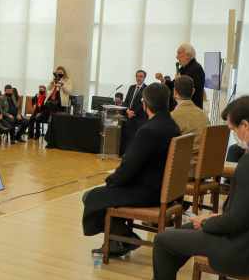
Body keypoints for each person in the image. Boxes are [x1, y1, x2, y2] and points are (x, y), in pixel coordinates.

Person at [119, 96, 249, 280]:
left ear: (246, 124)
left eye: (234, 129)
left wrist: (208, 222)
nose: (235, 136)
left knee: (162, 239)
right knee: (187, 228)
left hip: (246, 245)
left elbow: (237, 221)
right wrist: (216, 219)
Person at [81, 83, 181, 256]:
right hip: (163, 189)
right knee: (103, 196)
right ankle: (118, 241)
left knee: (91, 196)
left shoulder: (149, 130)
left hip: (146, 191)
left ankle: (124, 238)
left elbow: (129, 167)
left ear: (145, 105)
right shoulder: (173, 126)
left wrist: (111, 181)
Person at [169, 76, 210, 179]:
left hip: (184, 170)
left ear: (174, 92)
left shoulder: (173, 116)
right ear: (193, 91)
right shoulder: (204, 115)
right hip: (205, 168)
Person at [154, 43, 205, 109]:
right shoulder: (184, 68)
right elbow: (174, 84)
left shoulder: (196, 68)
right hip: (180, 108)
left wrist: (180, 81)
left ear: (188, 55)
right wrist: (163, 80)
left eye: (179, 53)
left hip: (189, 109)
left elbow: (190, 91)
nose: (177, 57)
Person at [123, 70, 149, 146]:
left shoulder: (146, 89)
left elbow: (143, 103)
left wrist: (133, 112)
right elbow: (126, 101)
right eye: (137, 76)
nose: (139, 78)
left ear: (144, 78)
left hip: (139, 118)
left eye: (141, 76)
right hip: (129, 116)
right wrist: (127, 111)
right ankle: (128, 153)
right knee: (129, 137)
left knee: (137, 138)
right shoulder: (132, 87)